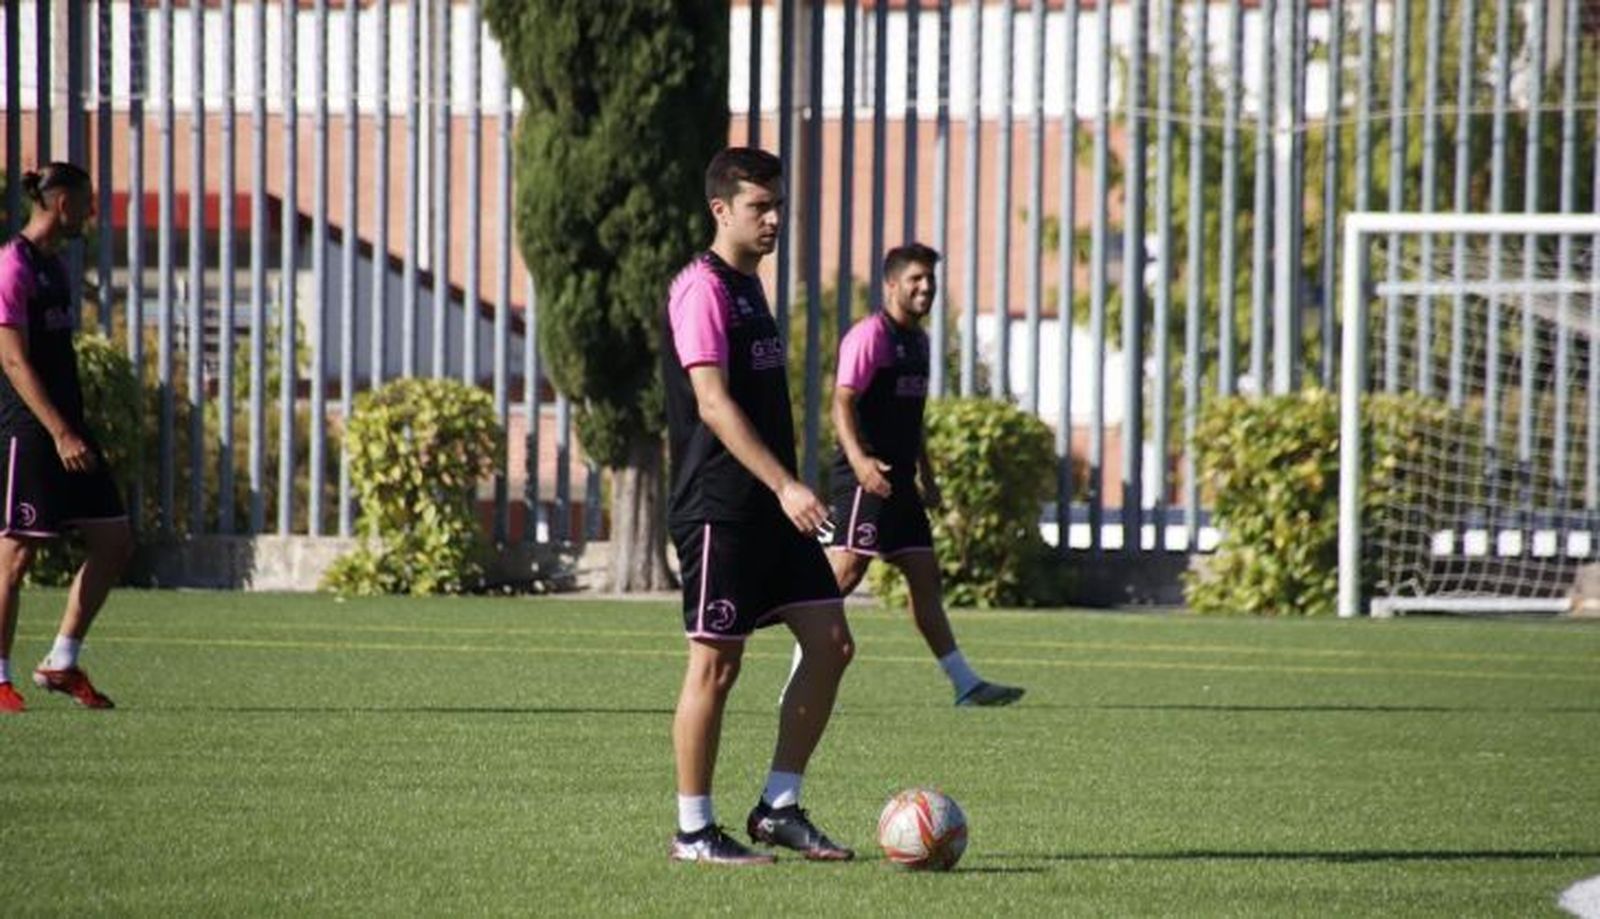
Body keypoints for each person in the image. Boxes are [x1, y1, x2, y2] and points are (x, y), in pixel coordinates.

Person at [661, 147, 855, 864]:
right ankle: (693, 831)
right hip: (721, 508)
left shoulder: (750, 286)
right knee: (715, 667)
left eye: (779, 206)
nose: (774, 220)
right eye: (759, 207)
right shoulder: (702, 289)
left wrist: (783, 491)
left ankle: (777, 807)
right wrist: (786, 485)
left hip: (771, 508)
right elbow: (712, 404)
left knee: (831, 643)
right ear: (721, 210)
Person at [796, 243, 1024, 708]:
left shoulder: (918, 342)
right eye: (916, 279)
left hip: (900, 481)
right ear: (891, 285)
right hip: (866, 476)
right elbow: (841, 402)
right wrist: (861, 463)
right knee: (846, 573)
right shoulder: (870, 336)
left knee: (924, 577)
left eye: (930, 279)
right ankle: (801, 671)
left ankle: (965, 684)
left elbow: (910, 419)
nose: (926, 288)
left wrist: (927, 476)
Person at [0, 162, 134, 714]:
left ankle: (61, 660)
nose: (91, 212)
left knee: (114, 540)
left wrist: (71, 428)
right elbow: (12, 360)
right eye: (86, 202)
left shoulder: (53, 267)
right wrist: (57, 431)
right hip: (32, 431)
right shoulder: (12, 265)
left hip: (68, 429)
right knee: (15, 556)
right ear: (62, 204)